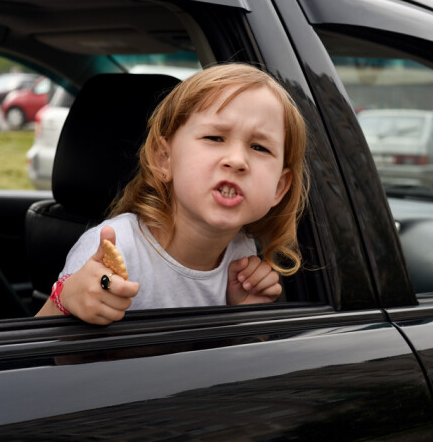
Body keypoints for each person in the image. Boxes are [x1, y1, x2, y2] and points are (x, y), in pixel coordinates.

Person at [36, 63, 309, 325]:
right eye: (215, 138)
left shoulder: (242, 255)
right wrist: (65, 300)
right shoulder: (113, 247)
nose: (237, 160)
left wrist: (237, 316)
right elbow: (42, 361)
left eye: (260, 147)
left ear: (279, 188)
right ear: (164, 159)